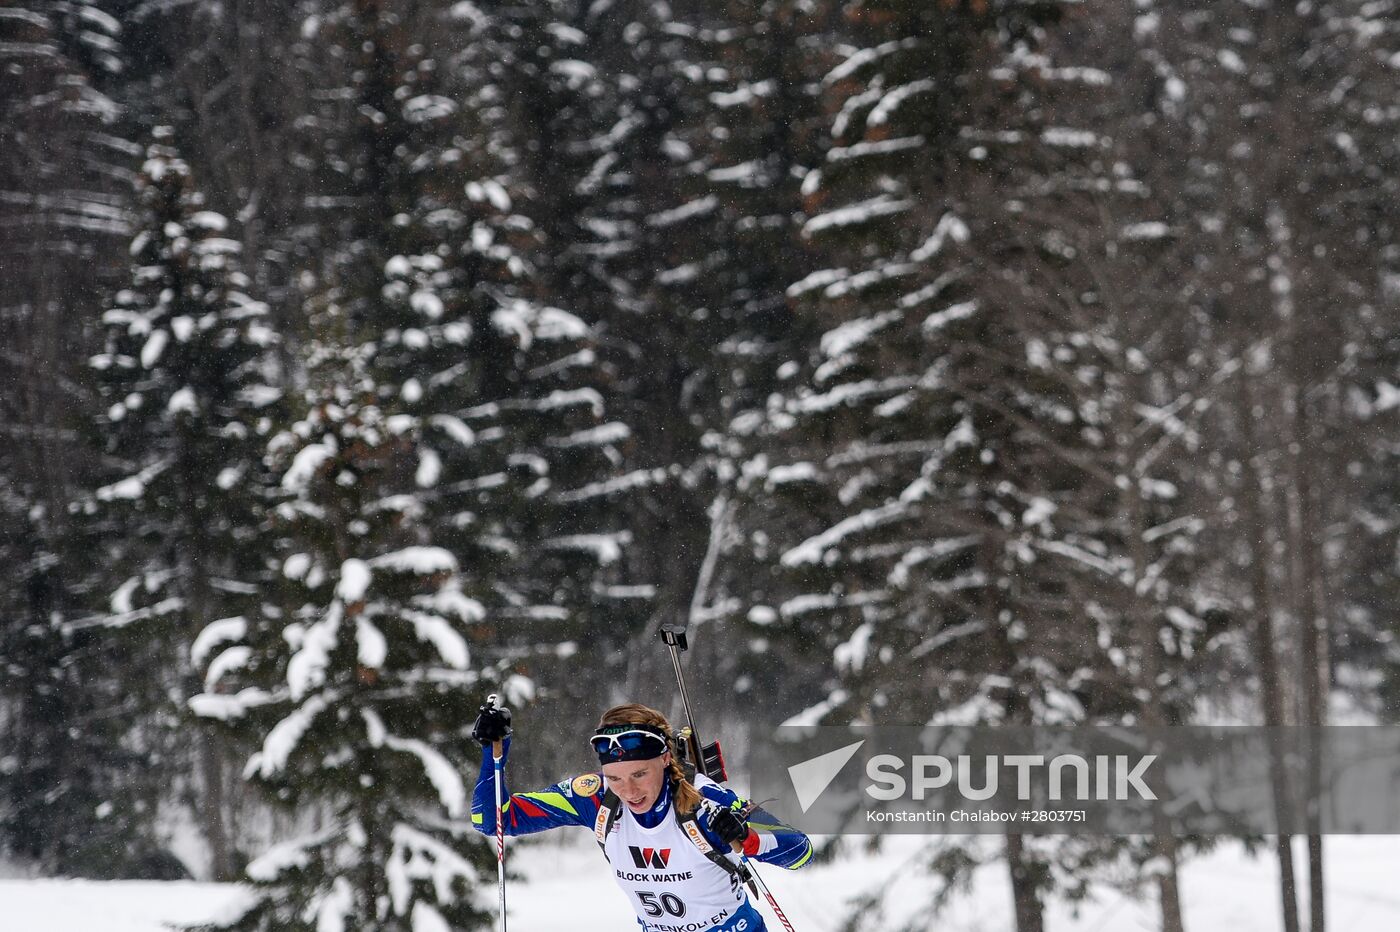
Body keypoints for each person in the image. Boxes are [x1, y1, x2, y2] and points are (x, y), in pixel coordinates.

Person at [470, 700, 812, 932]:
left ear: (665, 759)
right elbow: (493, 820)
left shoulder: (704, 800)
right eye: (616, 778)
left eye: (639, 775)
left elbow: (801, 852)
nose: (629, 791)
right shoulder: (594, 798)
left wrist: (747, 837)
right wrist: (494, 750)